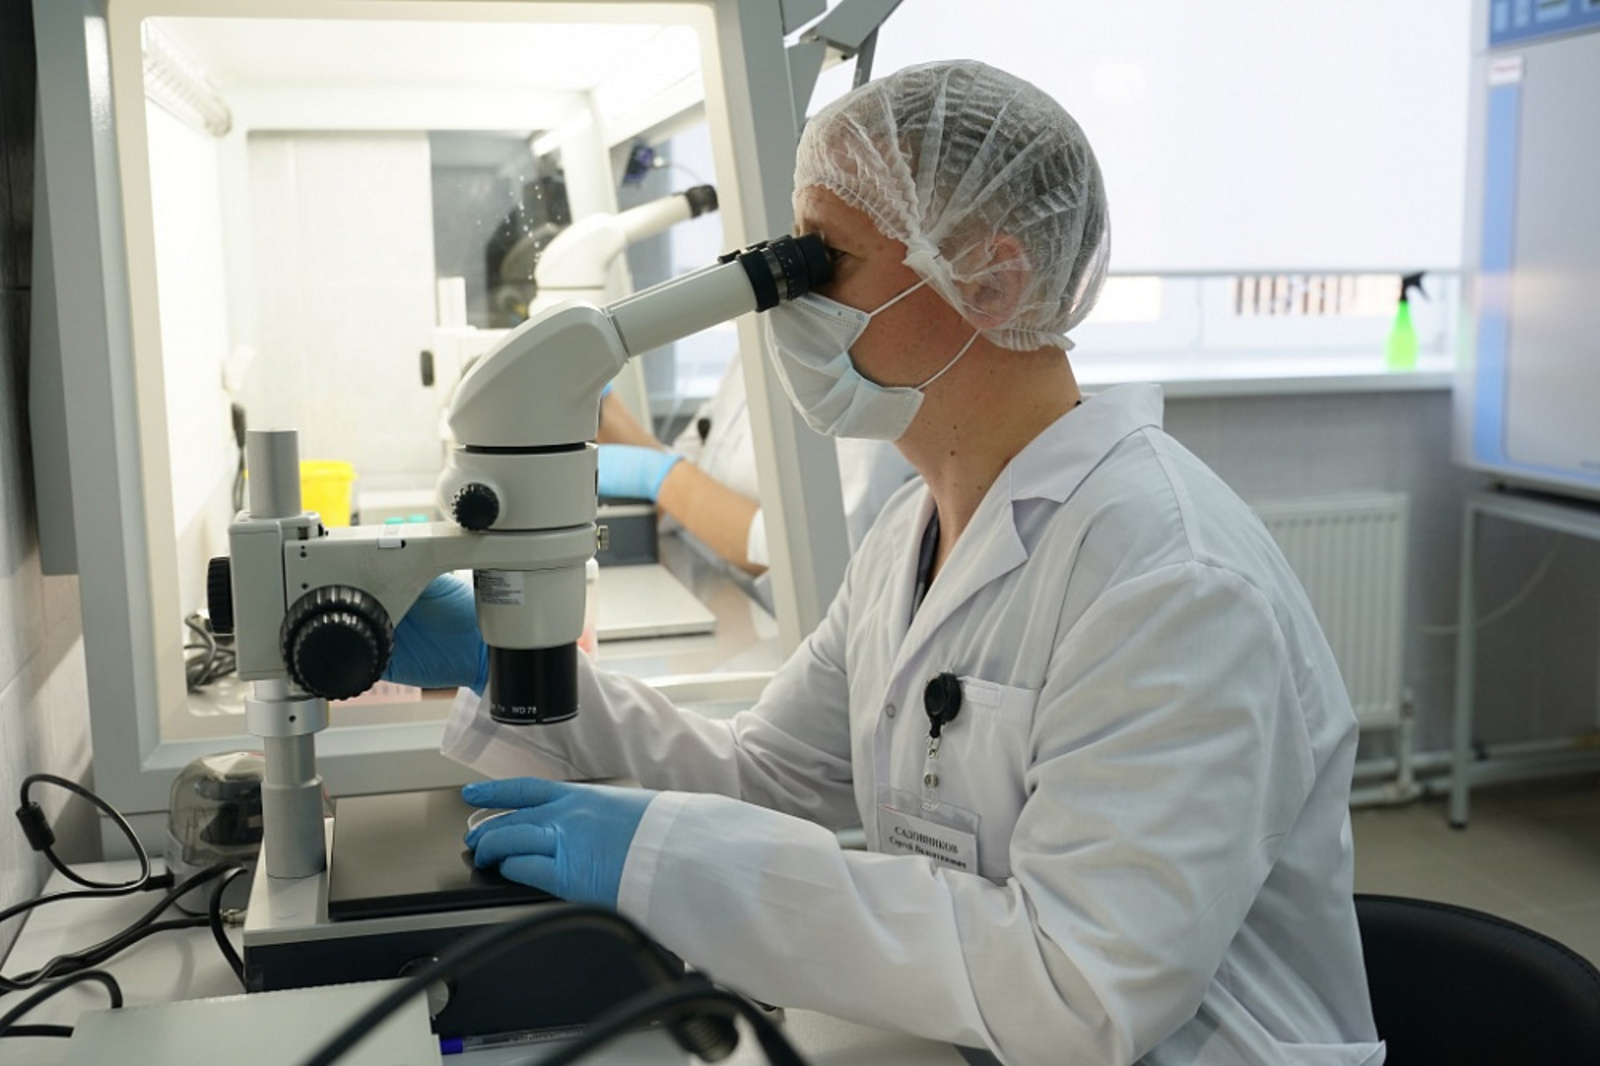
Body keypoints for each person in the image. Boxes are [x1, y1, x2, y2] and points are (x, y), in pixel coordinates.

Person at [386, 60, 1383, 1065]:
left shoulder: (1171, 581)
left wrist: (676, 861)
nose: (785, 303)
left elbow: (1079, 989)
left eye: (820, 262)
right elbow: (765, 775)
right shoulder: (913, 531)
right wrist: (510, 668)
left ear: (992, 281)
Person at [593, 358, 915, 578]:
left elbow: (818, 557)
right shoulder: (756, 346)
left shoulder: (859, 377)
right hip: (715, 593)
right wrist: (598, 401)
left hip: (782, 627)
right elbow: (687, 490)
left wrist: (659, 477)